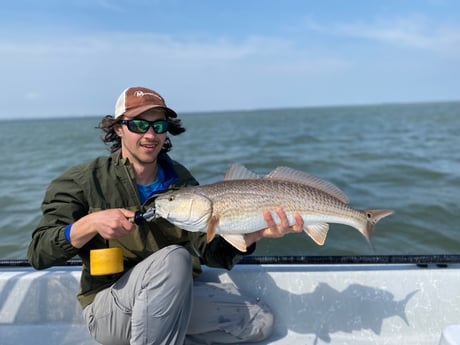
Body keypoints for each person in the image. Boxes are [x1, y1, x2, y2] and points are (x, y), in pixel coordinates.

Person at [27, 86, 304, 345]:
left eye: (158, 126)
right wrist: (88, 224)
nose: (150, 135)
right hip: (110, 307)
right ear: (118, 129)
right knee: (175, 259)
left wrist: (252, 234)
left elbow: (211, 253)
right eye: (138, 125)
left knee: (259, 320)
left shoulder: (182, 182)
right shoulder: (84, 180)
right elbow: (39, 253)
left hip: (169, 299)